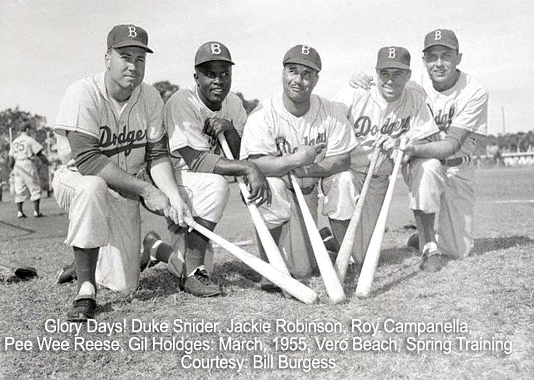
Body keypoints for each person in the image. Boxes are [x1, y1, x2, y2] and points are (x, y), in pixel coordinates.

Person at [52, 24, 191, 321]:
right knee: (92, 188)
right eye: (125, 56)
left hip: (123, 188)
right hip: (75, 180)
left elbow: (157, 155)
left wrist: (172, 195)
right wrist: (146, 190)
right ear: (107, 58)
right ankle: (85, 287)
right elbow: (89, 161)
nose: (133, 65)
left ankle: (146, 247)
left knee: (126, 286)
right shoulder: (83, 93)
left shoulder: (151, 97)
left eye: (140, 59)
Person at [351, 30, 488, 271]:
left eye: (446, 56)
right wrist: (359, 81)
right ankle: (429, 244)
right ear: (423, 60)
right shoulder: (413, 82)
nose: (438, 63)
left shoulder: (474, 91)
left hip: (456, 167)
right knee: (428, 166)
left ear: (459, 57)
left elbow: (451, 145)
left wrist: (412, 148)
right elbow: (384, 83)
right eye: (432, 57)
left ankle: (424, 237)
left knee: (458, 250)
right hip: (419, 163)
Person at [142, 41, 271, 297]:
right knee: (216, 184)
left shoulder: (233, 104)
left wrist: (231, 130)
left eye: (225, 73)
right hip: (174, 181)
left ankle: (154, 246)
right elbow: (196, 161)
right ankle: (193, 275)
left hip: (201, 185)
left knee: (185, 261)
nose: (219, 80)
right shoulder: (181, 101)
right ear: (196, 77)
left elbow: (238, 155)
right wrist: (248, 168)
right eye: (210, 74)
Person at [239, 44, 358, 282]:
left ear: (315, 79)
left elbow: (343, 160)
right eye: (293, 71)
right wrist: (295, 159)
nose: (299, 80)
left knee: (344, 180)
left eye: (307, 74)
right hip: (281, 192)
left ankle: (347, 257)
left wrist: (307, 168)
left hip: (311, 188)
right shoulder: (263, 113)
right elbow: (255, 165)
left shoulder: (330, 110)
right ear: (283, 73)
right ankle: (271, 267)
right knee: (300, 270)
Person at [334, 46, 439, 266]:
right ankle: (341, 250)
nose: (390, 80)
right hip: (351, 173)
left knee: (363, 256)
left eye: (397, 73)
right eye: (384, 73)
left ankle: (428, 243)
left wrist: (404, 144)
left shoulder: (414, 98)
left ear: (408, 75)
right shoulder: (354, 94)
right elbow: (326, 127)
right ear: (376, 73)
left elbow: (429, 139)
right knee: (341, 182)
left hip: (378, 180)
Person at [8, 121, 49, 218]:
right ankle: (36, 212)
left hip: (17, 164)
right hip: (27, 163)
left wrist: (11, 169)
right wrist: (47, 162)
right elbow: (39, 153)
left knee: (19, 189)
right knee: (34, 187)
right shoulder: (29, 140)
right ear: (27, 130)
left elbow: (11, 158)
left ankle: (19, 212)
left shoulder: (15, 141)